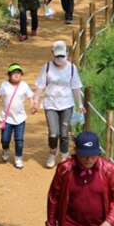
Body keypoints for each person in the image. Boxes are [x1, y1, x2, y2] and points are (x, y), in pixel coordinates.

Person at [44, 131, 114, 226]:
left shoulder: (110, 170)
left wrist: (110, 222)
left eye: (93, 154)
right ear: (75, 149)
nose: (89, 159)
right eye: (84, 155)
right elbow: (54, 198)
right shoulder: (64, 169)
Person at [32, 40, 86, 168]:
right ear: (52, 54)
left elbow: (76, 87)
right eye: (57, 56)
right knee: (53, 133)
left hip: (66, 104)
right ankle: (52, 153)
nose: (60, 58)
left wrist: (80, 104)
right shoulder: (47, 67)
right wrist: (35, 101)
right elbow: (41, 86)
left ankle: (64, 157)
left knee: (64, 133)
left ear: (67, 54)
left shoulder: (72, 68)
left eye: (62, 56)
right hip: (50, 103)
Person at [0, 63, 35, 169]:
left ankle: (18, 158)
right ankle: (5, 149)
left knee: (19, 139)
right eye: (14, 73)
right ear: (9, 75)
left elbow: (30, 96)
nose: (16, 75)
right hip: (6, 118)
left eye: (19, 73)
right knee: (5, 139)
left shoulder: (24, 85)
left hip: (20, 118)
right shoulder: (4, 85)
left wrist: (32, 105)